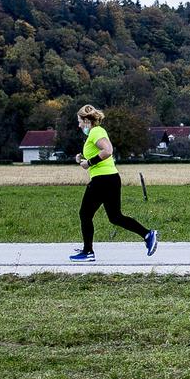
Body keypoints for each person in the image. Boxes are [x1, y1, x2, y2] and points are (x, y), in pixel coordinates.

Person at [69, 105, 158, 262]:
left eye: (79, 122)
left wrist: (88, 163)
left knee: (85, 214)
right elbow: (99, 154)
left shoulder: (96, 131)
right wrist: (82, 159)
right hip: (111, 179)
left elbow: (108, 151)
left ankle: (88, 251)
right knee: (115, 217)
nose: (79, 126)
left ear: (85, 120)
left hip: (102, 180)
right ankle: (147, 234)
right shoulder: (97, 132)